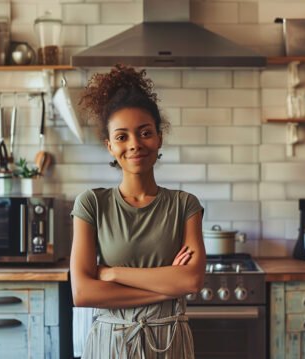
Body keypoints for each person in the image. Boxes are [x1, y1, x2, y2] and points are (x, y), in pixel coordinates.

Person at [70, 64, 206, 359]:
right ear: (109, 146)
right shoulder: (91, 204)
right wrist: (167, 287)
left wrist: (113, 273)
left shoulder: (185, 205)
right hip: (112, 343)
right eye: (122, 137)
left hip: (169, 341)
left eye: (144, 133)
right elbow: (83, 293)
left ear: (159, 138)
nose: (134, 145)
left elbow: (192, 281)